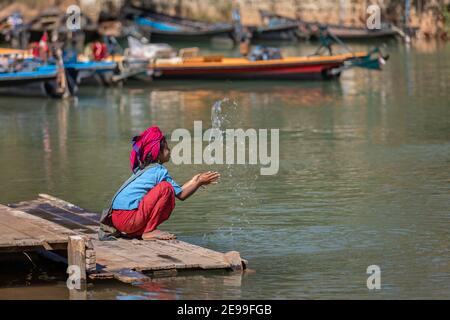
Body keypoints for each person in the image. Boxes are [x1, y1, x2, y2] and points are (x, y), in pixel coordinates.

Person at [103, 126, 220, 241]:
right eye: (167, 148)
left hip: (117, 220)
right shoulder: (158, 171)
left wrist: (195, 180)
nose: (170, 151)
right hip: (128, 220)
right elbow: (181, 195)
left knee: (165, 189)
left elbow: (179, 190)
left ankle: (139, 230)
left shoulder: (143, 169)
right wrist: (199, 182)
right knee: (166, 188)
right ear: (158, 154)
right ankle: (148, 231)